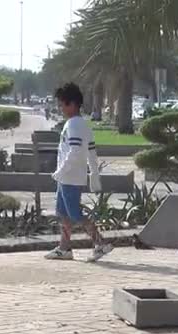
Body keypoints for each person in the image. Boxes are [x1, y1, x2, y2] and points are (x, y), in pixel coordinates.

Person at [44, 82, 114, 262]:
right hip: (68, 177)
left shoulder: (74, 125)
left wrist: (60, 172)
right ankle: (64, 248)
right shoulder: (82, 124)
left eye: (62, 104)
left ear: (72, 104)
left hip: (69, 178)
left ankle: (100, 243)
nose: (61, 108)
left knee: (74, 214)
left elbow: (75, 152)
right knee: (63, 213)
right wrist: (94, 175)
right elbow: (91, 151)